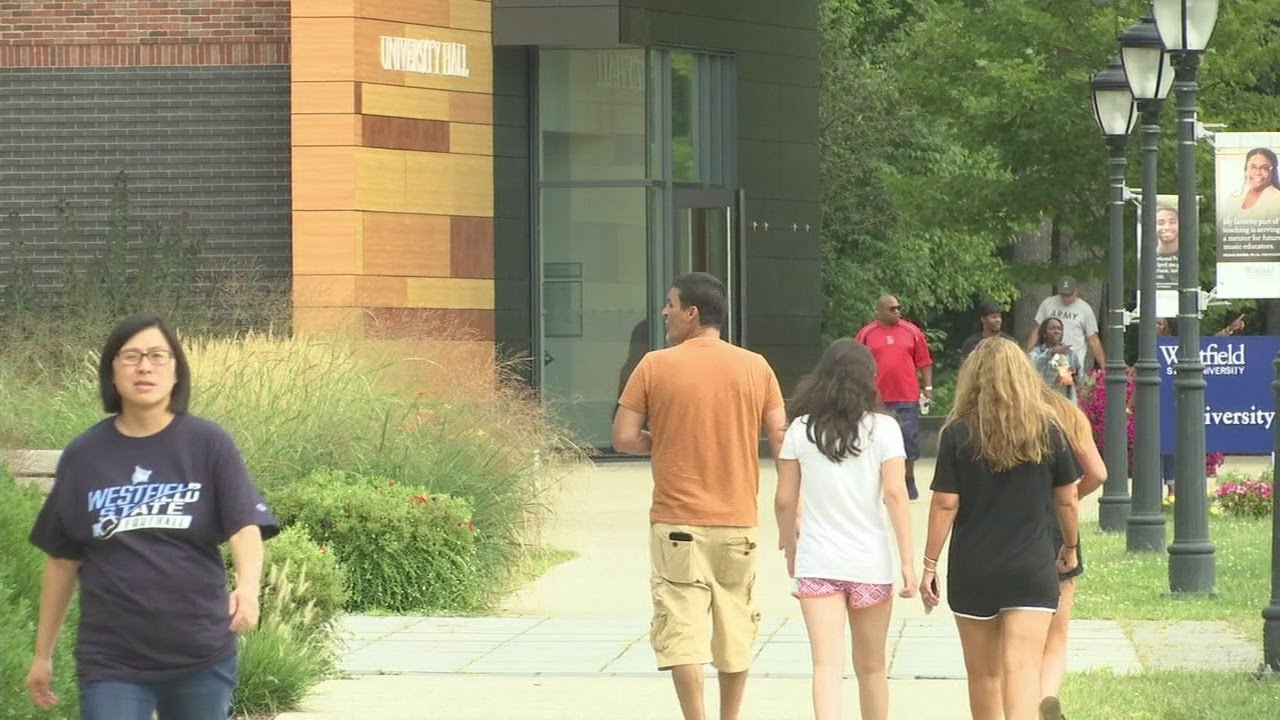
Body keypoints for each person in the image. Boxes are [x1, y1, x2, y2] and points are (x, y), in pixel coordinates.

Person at [25, 314, 279, 720]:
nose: (145, 366)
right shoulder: (84, 455)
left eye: (159, 356)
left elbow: (243, 526)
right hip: (112, 660)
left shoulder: (208, 444)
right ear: (112, 371)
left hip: (201, 652)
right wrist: (43, 655)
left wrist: (248, 589)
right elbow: (61, 559)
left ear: (177, 372)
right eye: (131, 356)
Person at [612, 272, 787, 720]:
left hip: (676, 522)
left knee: (682, 628)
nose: (665, 312)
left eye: (671, 304)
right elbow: (783, 442)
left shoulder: (653, 365)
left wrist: (663, 439)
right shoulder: (757, 367)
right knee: (735, 627)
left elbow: (623, 438)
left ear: (693, 313)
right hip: (738, 521)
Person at [918, 337, 1081, 720]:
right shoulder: (1048, 430)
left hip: (973, 568)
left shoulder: (958, 433)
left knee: (983, 675)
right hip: (1031, 567)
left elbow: (945, 502)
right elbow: (1067, 498)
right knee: (1022, 670)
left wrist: (928, 564)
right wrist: (1070, 546)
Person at [774, 338, 917, 720]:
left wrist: (790, 544)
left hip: (818, 560)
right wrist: (907, 561)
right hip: (869, 562)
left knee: (826, 666)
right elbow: (895, 494)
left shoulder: (800, 430)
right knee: (871, 668)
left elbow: (785, 499)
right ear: (869, 379)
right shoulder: (885, 429)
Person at [1037, 389, 1107, 720]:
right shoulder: (1067, 412)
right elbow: (1099, 473)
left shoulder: (1010, 413)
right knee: (1057, 629)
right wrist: (1070, 495)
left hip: (1014, 527)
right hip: (1058, 526)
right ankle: (1047, 696)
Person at [855, 295, 934, 500]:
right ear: (879, 311)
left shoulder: (912, 332)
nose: (897, 312)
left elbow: (924, 361)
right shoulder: (866, 334)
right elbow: (856, 363)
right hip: (877, 399)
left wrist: (928, 387)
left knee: (909, 439)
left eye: (898, 308)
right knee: (876, 442)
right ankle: (881, 484)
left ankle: (909, 478)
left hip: (906, 396)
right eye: (892, 309)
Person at [1025, 276, 1105, 372]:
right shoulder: (1048, 304)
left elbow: (1093, 340)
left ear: (1076, 291)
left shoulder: (1085, 309)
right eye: (1063, 295)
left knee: (1068, 383)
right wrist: (1025, 353)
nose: (1066, 299)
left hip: (1073, 359)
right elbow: (1037, 331)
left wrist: (1104, 367)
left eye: (1069, 295)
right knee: (1049, 382)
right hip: (1049, 357)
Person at [1029, 317, 1083, 402]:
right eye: (1052, 328)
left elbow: (1079, 379)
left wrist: (1074, 373)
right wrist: (1050, 353)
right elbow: (1032, 366)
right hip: (1043, 399)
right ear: (1044, 333)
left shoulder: (1070, 353)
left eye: (1059, 329)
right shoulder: (1037, 352)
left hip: (1065, 401)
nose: (1056, 331)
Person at [1222, 147, 1280, 217]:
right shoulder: (1233, 198)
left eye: (1265, 168)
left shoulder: (1277, 200)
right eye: (1253, 167)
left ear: (1273, 172)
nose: (1258, 173)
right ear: (1245, 170)